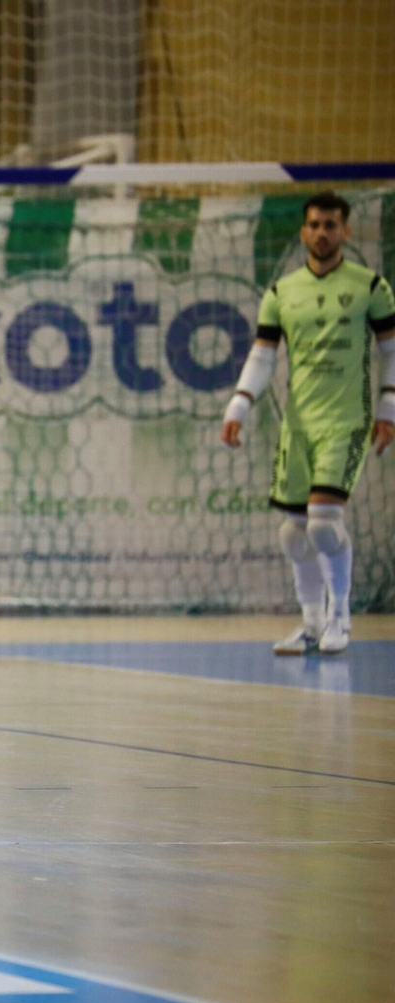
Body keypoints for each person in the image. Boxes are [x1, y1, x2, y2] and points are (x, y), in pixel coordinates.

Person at [222, 190, 395, 655]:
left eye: (331, 225)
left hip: (347, 420)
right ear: (303, 232)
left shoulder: (370, 286)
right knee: (293, 533)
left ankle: (341, 618)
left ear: (346, 231)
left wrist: (388, 410)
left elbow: (390, 351)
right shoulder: (282, 292)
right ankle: (312, 623)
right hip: (297, 425)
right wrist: (239, 405)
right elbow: (262, 357)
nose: (323, 232)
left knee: (323, 524)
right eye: (315, 225)